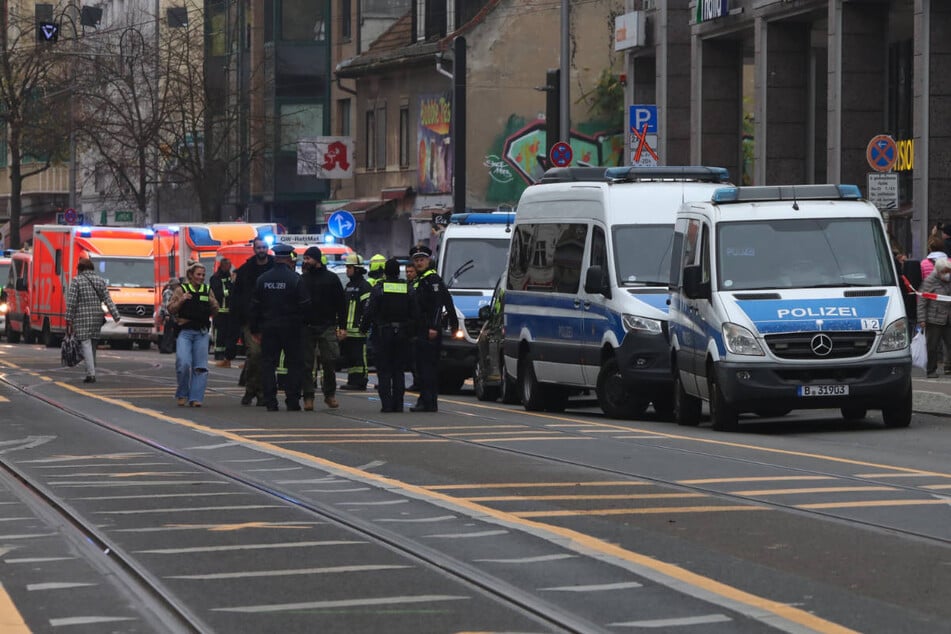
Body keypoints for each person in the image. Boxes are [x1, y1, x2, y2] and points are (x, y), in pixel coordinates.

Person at [250, 244, 310, 411]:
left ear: (275, 257)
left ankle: (270, 400)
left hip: (269, 328)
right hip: (292, 328)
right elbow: (305, 305)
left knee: (268, 364)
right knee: (294, 364)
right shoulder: (296, 279)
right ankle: (292, 400)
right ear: (289, 258)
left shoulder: (263, 279)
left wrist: (255, 329)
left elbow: (254, 306)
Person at [362, 258, 417, 412]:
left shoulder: (379, 288)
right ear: (398, 271)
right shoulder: (407, 288)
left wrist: (363, 328)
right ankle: (398, 404)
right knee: (398, 371)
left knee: (384, 371)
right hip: (402, 335)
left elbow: (370, 311)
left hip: (383, 335)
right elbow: (415, 313)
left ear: (385, 272)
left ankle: (386, 404)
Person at [408, 244, 458, 412]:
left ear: (428, 260)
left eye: (422, 259)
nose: (419, 262)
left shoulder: (432, 279)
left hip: (429, 331)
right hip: (420, 330)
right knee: (422, 368)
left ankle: (428, 402)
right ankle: (425, 400)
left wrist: (434, 327)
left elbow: (438, 305)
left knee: (427, 368)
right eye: (416, 260)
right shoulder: (420, 280)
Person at [167, 261, 219, 407]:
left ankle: (196, 398)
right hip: (185, 333)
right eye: (198, 274)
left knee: (200, 367)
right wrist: (182, 300)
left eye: (203, 275)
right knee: (183, 364)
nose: (201, 277)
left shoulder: (207, 290)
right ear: (191, 275)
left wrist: (212, 303)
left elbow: (216, 310)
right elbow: (170, 309)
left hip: (201, 333)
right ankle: (182, 393)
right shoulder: (181, 289)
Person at [300, 245, 345, 410]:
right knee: (306, 363)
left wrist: (343, 326)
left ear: (316, 260)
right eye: (304, 259)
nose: (305, 262)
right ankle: (308, 396)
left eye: (308, 258)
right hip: (307, 326)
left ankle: (330, 394)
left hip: (327, 326)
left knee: (329, 361)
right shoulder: (303, 279)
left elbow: (341, 304)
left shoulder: (331, 279)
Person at [232, 237, 275, 406]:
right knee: (255, 354)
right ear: (254, 249)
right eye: (259, 247)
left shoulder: (274, 267)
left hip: (271, 320)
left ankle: (257, 389)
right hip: (250, 321)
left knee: (266, 357)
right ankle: (255, 390)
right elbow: (237, 298)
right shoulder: (245, 271)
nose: (261, 250)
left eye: (264, 247)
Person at [65, 257, 121, 384]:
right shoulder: (100, 280)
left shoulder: (76, 281)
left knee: (85, 344)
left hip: (82, 318)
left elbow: (72, 302)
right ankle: (92, 369)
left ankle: (91, 374)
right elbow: (108, 299)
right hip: (97, 317)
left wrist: (68, 319)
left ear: (80, 269)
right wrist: (116, 315)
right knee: (92, 345)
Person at [340, 253, 371, 390]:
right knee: (351, 358)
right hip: (348, 331)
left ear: (357, 268)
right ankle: (352, 380)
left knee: (360, 357)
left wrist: (363, 326)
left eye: (349, 267)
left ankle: (361, 380)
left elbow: (367, 308)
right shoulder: (348, 286)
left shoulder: (364, 286)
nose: (347, 270)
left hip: (359, 330)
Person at [917, 257, 951, 379]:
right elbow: (922, 301)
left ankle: (948, 367)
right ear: (939, 271)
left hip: (948, 317)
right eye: (946, 272)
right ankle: (931, 370)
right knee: (932, 346)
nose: (948, 274)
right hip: (933, 319)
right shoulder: (929, 281)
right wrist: (922, 319)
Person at [210, 258, 237, 367]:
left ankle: (226, 353)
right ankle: (218, 353)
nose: (229, 268)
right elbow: (217, 292)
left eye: (230, 266)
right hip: (219, 310)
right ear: (222, 266)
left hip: (230, 310)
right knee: (219, 333)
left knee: (228, 333)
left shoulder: (230, 277)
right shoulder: (215, 278)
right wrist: (229, 291)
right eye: (227, 266)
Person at [404, 263, 420, 391]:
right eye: (407, 271)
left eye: (411, 271)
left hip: (416, 328)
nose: (408, 274)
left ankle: (418, 382)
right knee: (411, 358)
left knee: (416, 358)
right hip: (408, 327)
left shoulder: (417, 286)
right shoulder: (406, 285)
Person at [157, 278, 181, 354]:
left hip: (172, 314)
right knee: (168, 332)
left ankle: (169, 347)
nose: (178, 286)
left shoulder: (173, 292)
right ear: (173, 285)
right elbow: (167, 304)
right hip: (169, 315)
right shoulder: (168, 292)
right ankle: (165, 348)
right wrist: (167, 314)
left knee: (171, 332)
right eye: (177, 284)